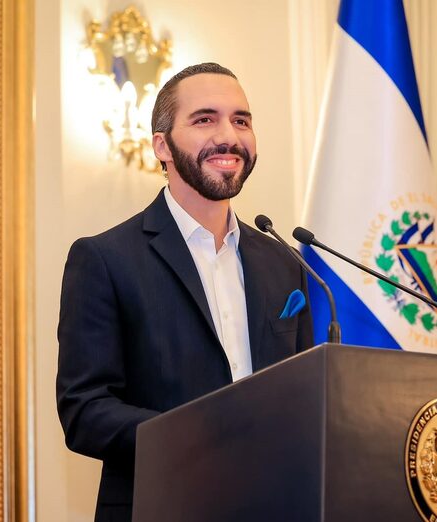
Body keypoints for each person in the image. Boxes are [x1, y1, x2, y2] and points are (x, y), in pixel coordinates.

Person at [56, 63, 314, 521]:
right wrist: (202, 435)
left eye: (241, 120)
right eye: (204, 119)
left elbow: (305, 393)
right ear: (163, 146)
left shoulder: (284, 263)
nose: (228, 136)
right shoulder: (105, 259)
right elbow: (85, 411)